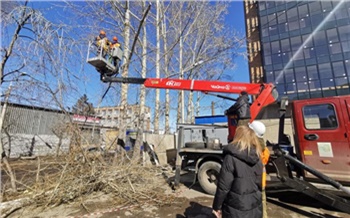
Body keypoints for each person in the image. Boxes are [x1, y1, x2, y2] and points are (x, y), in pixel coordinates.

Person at [212, 125, 263, 218]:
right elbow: (259, 184)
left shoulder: (230, 158)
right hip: (255, 206)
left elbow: (223, 187)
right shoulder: (258, 157)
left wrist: (216, 206)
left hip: (236, 209)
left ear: (237, 136)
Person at [249, 121, 270, 218]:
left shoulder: (251, 149)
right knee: (262, 205)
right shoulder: (265, 150)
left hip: (252, 184)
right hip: (261, 182)